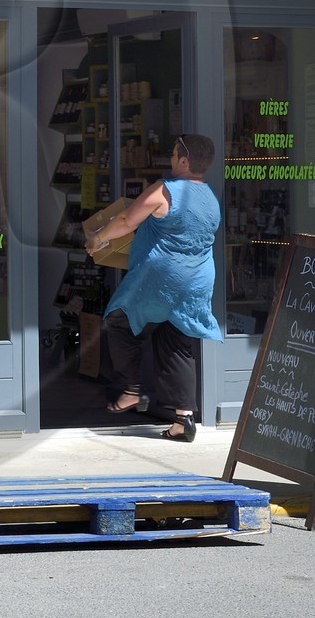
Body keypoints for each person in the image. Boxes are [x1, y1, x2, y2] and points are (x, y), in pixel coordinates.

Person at [81, 132, 222, 442]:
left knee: (119, 319)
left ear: (184, 161)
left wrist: (98, 238)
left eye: (173, 155)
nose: (169, 160)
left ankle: (131, 390)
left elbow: (127, 220)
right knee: (176, 341)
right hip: (198, 280)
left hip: (162, 279)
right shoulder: (211, 198)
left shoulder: (165, 190)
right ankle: (183, 420)